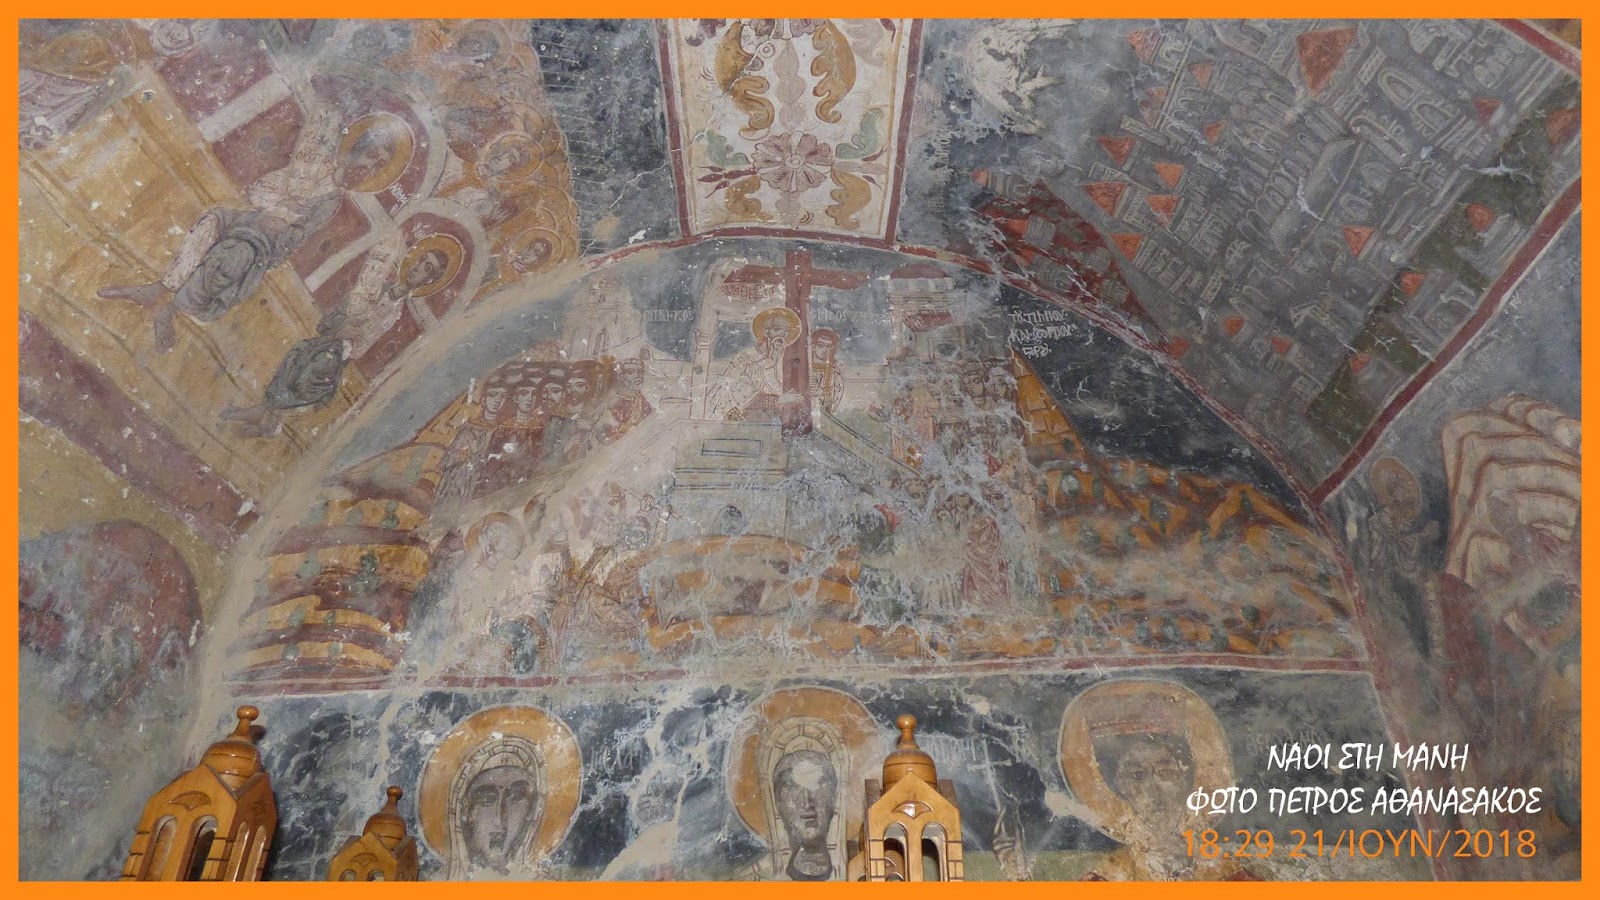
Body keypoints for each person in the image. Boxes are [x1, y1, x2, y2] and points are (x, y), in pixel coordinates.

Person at [705, 307, 806, 423]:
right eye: (777, 329)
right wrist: (777, 400)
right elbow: (736, 395)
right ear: (766, 332)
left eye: (786, 331)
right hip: (741, 420)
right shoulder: (746, 359)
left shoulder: (783, 361)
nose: (782, 335)